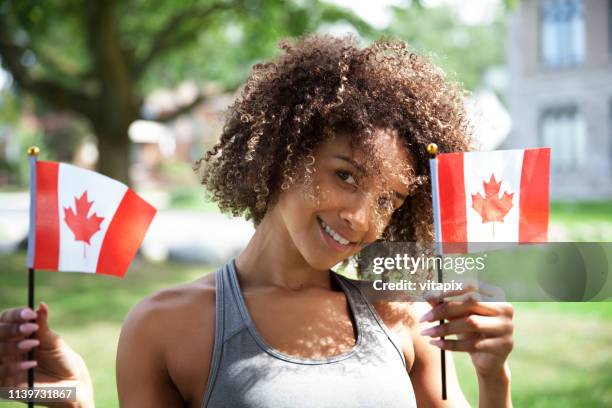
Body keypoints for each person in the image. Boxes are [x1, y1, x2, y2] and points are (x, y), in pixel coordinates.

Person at [0, 35, 514, 407]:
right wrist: (71, 399)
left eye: (388, 201)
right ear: (285, 154)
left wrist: (494, 379)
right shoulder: (163, 326)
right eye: (346, 176)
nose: (361, 219)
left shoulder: (401, 317)